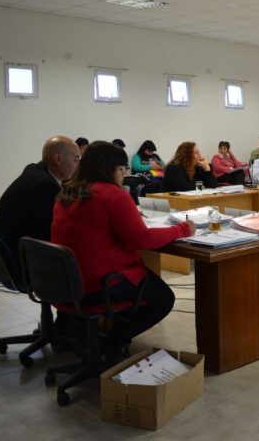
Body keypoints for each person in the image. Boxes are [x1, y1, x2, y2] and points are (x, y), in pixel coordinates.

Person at [52, 141, 194, 362]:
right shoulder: (113, 195)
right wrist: (181, 229)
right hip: (100, 283)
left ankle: (103, 338)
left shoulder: (68, 191)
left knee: (145, 287)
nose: (124, 174)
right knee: (163, 298)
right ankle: (108, 343)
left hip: (67, 282)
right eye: (122, 169)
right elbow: (143, 239)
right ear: (110, 168)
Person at [0, 136, 80, 286]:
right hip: (22, 263)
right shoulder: (45, 186)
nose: (78, 165)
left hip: (6, 257)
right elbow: (54, 231)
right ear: (58, 159)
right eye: (76, 159)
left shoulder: (34, 171)